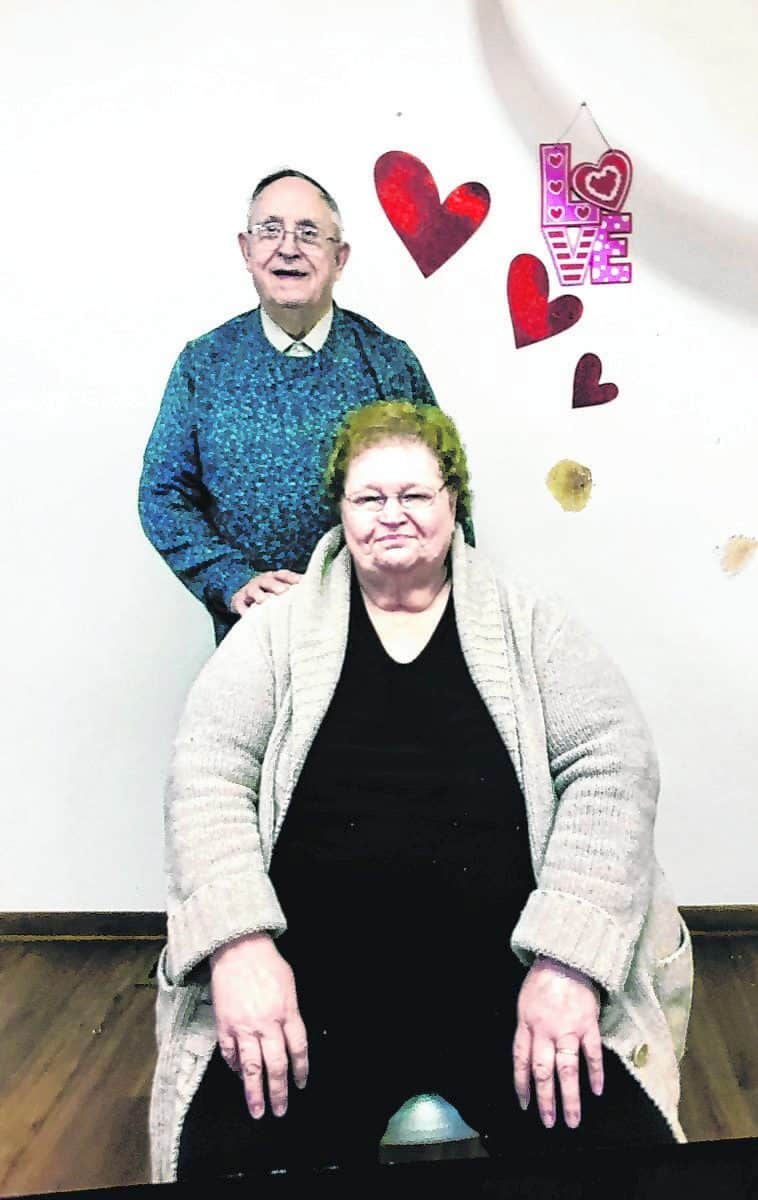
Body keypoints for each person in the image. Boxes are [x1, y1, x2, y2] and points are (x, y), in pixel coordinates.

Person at [149, 402, 694, 1183]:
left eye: (414, 494)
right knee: (227, 1161)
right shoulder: (273, 633)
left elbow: (613, 767)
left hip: (512, 982)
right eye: (369, 497)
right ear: (341, 511)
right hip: (308, 990)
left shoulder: (531, 625)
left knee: (626, 1166)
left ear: (452, 501)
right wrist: (239, 948)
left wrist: (568, 963)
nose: (392, 515)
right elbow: (206, 774)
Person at [138, 169, 438, 643]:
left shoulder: (388, 363)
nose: (288, 248)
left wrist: (433, 619)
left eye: (309, 233)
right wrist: (230, 579)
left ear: (340, 258)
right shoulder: (204, 365)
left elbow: (444, 497)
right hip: (252, 638)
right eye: (270, 230)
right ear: (246, 250)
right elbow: (162, 495)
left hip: (378, 637)